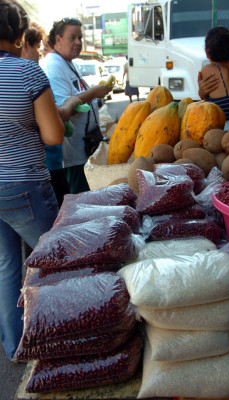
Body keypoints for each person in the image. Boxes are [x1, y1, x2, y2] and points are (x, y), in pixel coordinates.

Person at [0, 0, 65, 360]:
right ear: (18, 32)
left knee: (7, 265)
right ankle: (57, 345)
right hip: (24, 186)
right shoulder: (27, 73)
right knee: (53, 264)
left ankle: (16, 347)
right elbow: (54, 135)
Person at [41, 18, 112, 194]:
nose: (78, 42)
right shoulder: (53, 65)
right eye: (72, 38)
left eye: (80, 37)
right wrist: (94, 92)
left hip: (83, 151)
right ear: (58, 39)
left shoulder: (68, 62)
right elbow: (62, 110)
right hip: (71, 156)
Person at [21, 22, 82, 206]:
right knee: (59, 221)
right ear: (23, 45)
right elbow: (55, 134)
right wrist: (71, 103)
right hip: (41, 167)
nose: (40, 53)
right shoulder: (31, 73)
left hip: (12, 175)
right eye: (38, 47)